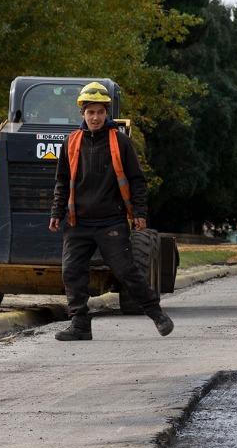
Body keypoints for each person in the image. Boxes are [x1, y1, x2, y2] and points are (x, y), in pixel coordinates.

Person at [49, 81, 173, 341]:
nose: (95, 117)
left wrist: (139, 212)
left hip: (111, 222)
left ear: (107, 113)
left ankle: (157, 314)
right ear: (82, 113)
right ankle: (80, 326)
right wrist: (56, 213)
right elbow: (62, 181)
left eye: (100, 112)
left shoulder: (121, 141)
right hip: (77, 221)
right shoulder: (71, 142)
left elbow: (137, 180)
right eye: (90, 112)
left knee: (126, 271)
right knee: (71, 272)